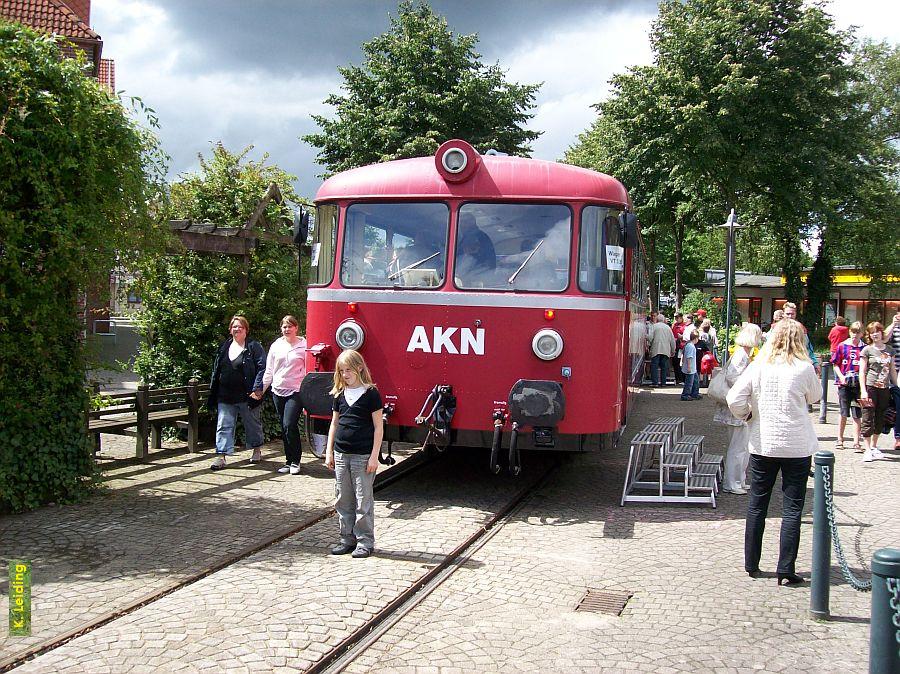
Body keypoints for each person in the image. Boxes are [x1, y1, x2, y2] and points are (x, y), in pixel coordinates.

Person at [726, 319, 821, 585]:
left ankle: (751, 563)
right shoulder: (804, 368)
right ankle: (786, 567)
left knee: (758, 504)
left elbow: (734, 398)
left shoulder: (759, 367)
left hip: (764, 442)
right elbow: (815, 396)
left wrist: (748, 416)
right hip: (797, 446)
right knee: (792, 509)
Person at [325, 350, 384, 559]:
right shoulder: (339, 394)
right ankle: (346, 538)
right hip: (341, 454)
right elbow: (334, 423)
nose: (345, 374)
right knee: (343, 499)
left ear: (359, 368)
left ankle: (365, 541)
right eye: (341, 371)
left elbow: (378, 427)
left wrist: (374, 456)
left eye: (348, 369)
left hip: (362, 455)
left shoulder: (371, 394)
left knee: (363, 500)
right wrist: (328, 451)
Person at [207, 315, 266, 471]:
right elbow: (217, 369)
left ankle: (256, 449)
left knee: (252, 424)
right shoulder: (224, 346)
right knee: (223, 425)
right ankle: (221, 456)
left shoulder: (253, 347)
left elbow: (262, 368)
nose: (237, 329)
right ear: (230, 329)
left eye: (240, 327)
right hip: (225, 394)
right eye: (234, 327)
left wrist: (257, 389)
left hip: (247, 395)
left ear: (246, 330)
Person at [714, 323, 763, 494]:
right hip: (737, 407)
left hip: (739, 406)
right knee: (738, 447)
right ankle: (732, 482)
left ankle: (738, 480)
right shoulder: (742, 355)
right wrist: (747, 387)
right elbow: (732, 376)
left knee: (741, 446)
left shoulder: (743, 354)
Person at [258, 315, 307, 474]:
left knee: (289, 424)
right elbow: (269, 370)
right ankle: (288, 460)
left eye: (290, 326)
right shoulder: (276, 345)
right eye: (284, 327)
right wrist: (261, 390)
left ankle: (296, 461)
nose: (287, 329)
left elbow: (308, 370)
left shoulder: (304, 345)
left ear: (296, 328)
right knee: (284, 427)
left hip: (296, 391)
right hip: (277, 390)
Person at [859, 321, 898, 461]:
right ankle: (867, 449)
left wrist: (897, 385)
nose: (875, 334)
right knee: (868, 416)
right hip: (870, 387)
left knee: (881, 417)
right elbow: (862, 372)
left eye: (877, 331)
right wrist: (863, 390)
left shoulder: (889, 350)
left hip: (884, 388)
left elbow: (892, 370)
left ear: (882, 332)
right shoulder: (867, 350)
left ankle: (874, 446)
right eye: (872, 332)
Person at [830, 321, 865, 450]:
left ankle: (856, 441)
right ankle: (840, 439)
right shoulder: (842, 346)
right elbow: (835, 364)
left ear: (862, 333)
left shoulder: (864, 348)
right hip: (844, 383)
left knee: (857, 413)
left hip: (858, 385)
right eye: (853, 332)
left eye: (858, 332)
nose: (855, 335)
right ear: (850, 332)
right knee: (843, 411)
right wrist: (841, 377)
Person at [782, 302, 819, 375]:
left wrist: (815, 362)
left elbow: (808, 347)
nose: (790, 316)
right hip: (781, 364)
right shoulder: (776, 329)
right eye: (787, 314)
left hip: (798, 364)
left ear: (795, 314)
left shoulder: (801, 328)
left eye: (792, 314)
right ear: (783, 314)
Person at [885, 310, 900, 450]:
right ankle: (898, 437)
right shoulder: (895, 328)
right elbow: (883, 339)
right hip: (896, 370)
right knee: (897, 403)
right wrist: (893, 324)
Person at [648, 312, 676, 386]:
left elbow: (650, 338)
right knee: (664, 367)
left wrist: (648, 341)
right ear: (663, 320)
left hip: (656, 349)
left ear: (657, 319)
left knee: (654, 366)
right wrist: (673, 350)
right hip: (666, 350)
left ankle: (655, 383)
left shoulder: (654, 326)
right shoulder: (668, 328)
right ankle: (663, 383)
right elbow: (672, 340)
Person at [680, 332, 700, 400]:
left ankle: (694, 393)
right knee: (689, 383)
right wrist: (689, 367)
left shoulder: (688, 345)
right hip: (691, 368)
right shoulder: (691, 346)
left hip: (693, 368)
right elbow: (689, 357)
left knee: (695, 381)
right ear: (696, 338)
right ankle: (685, 395)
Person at [672, 312, 685, 385]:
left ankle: (681, 379)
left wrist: (680, 337)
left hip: (680, 346)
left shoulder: (683, 326)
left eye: (677, 317)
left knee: (679, 362)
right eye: (675, 318)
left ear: (681, 317)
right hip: (675, 345)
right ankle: (677, 378)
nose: (676, 319)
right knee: (675, 362)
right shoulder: (675, 325)